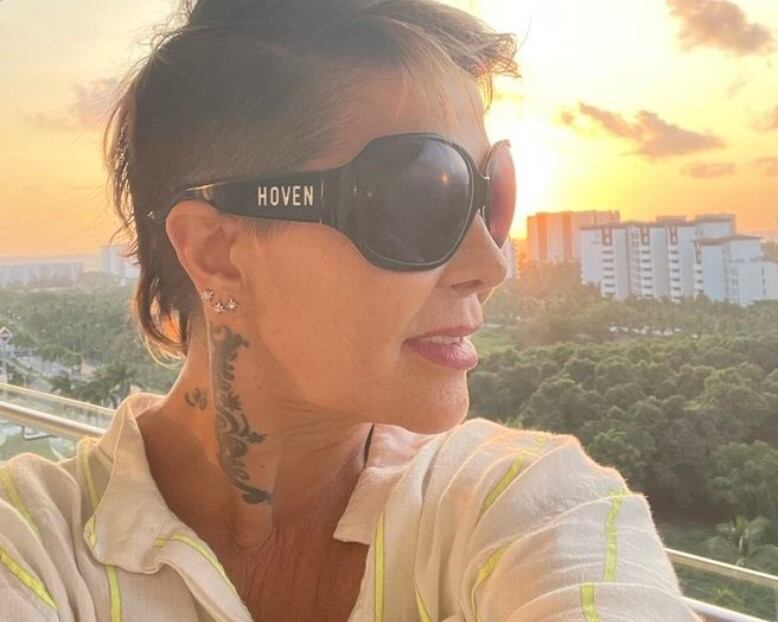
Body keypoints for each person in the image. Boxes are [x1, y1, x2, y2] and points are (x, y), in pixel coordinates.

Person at [0, 0, 703, 620]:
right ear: (218, 252)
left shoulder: (517, 507)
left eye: (490, 197)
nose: (490, 266)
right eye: (418, 199)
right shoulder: (33, 546)